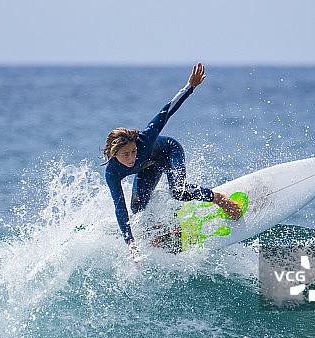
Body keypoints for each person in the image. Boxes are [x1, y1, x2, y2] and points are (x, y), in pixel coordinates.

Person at [102, 63, 242, 262]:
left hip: (168, 151)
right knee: (137, 208)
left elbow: (166, 112)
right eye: (126, 155)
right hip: (149, 167)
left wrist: (190, 87)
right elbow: (119, 207)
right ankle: (164, 227)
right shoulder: (112, 172)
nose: (132, 157)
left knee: (178, 191)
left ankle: (219, 199)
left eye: (133, 151)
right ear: (113, 154)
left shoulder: (145, 139)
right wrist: (130, 243)